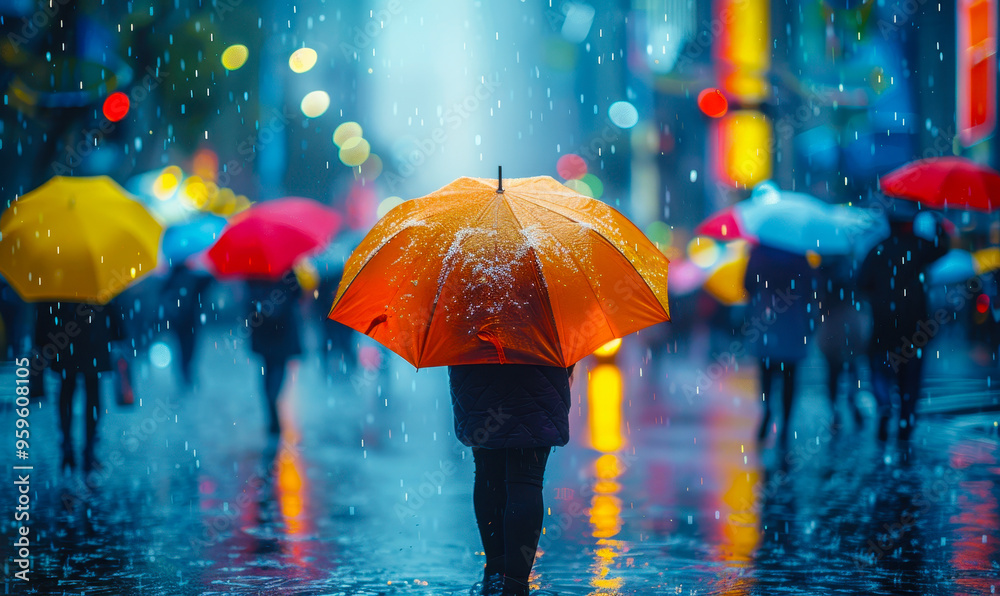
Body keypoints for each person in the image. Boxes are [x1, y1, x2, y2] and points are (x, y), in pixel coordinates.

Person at [449, 363, 575, 596]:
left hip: (476, 362)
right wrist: (567, 365)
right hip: (538, 365)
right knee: (526, 479)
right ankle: (516, 585)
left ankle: (495, 574)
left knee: (488, 473)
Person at [859, 211, 949, 441]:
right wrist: (938, 221)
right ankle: (905, 422)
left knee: (881, 369)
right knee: (910, 376)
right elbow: (943, 248)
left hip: (884, 324)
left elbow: (860, 283)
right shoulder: (920, 247)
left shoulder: (878, 249)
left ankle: (884, 405)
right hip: (914, 326)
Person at [35, 300, 125, 472]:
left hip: (64, 336)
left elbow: (45, 306)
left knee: (67, 389)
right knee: (92, 392)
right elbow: (111, 305)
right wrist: (118, 333)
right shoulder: (96, 280)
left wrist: (42, 340)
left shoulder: (59, 278)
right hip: (94, 338)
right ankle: (89, 448)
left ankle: (68, 444)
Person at [743, 245, 817, 444]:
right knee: (789, 378)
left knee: (766, 374)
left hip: (766, 323)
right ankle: (785, 424)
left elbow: (747, 286)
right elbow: (811, 289)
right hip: (793, 324)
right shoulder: (800, 255)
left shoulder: (758, 253)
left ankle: (767, 409)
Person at [816, 255, 870, 430]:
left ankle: (835, 411)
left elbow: (820, 301)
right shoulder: (852, 267)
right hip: (850, 324)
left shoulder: (824, 270)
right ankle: (852, 405)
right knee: (851, 369)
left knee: (833, 372)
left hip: (832, 327)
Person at [246, 273, 303, 435]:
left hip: (262, 327)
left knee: (267, 367)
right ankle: (273, 398)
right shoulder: (286, 267)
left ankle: (270, 401)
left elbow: (249, 296)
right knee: (278, 367)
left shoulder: (253, 270)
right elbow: (296, 292)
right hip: (283, 328)